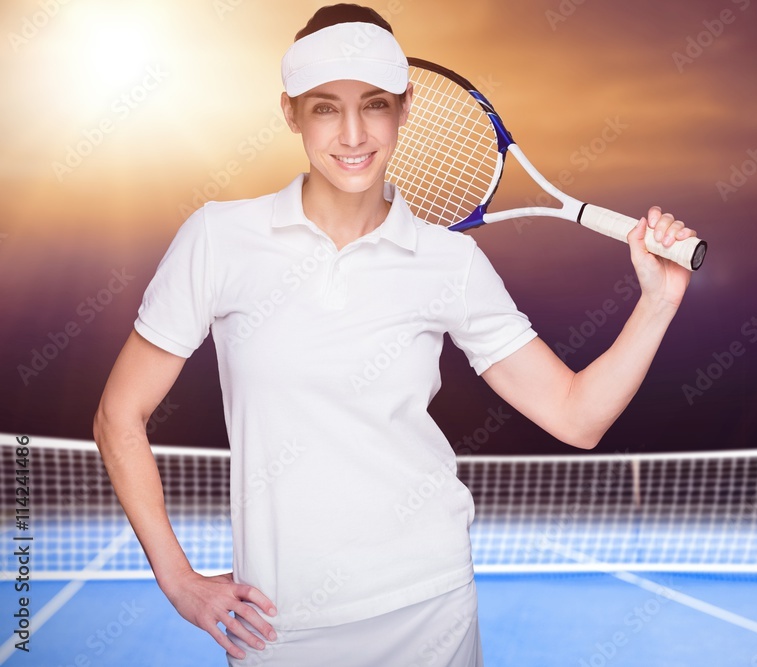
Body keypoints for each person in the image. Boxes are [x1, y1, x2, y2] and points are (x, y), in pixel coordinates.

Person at [93, 4, 697, 665]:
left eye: (375, 104)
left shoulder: (450, 261)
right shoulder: (218, 237)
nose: (353, 132)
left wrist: (658, 301)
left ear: (405, 109)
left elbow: (577, 416)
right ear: (290, 113)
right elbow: (120, 415)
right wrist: (178, 581)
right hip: (278, 627)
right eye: (325, 107)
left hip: (430, 608)